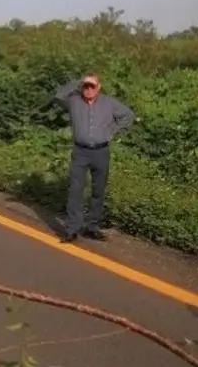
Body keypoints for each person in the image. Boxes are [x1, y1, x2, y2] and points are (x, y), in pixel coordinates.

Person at [52, 73, 135, 243]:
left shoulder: (109, 103)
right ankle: (72, 229)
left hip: (100, 152)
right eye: (86, 86)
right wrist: (78, 81)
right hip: (80, 152)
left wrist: (113, 131)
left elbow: (128, 115)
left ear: (99, 87)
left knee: (98, 191)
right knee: (75, 190)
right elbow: (58, 96)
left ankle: (93, 226)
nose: (88, 90)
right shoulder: (74, 101)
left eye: (92, 86)